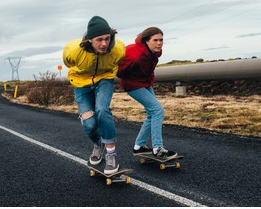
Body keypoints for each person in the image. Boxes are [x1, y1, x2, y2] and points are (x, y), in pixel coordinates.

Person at [63, 16, 125, 174]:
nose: (104, 44)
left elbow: (118, 63)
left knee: (102, 110)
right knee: (90, 124)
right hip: (81, 84)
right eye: (99, 40)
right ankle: (99, 144)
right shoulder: (73, 51)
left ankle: (111, 155)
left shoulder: (118, 50)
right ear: (90, 39)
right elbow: (68, 64)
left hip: (104, 79)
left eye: (107, 39)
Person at [117, 27, 178, 158]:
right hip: (132, 85)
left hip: (145, 83)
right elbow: (119, 71)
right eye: (155, 40)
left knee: (152, 113)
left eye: (161, 40)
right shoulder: (134, 54)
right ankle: (158, 148)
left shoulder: (155, 51)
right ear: (146, 41)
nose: (159, 43)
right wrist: (131, 76)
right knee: (157, 110)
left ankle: (139, 146)